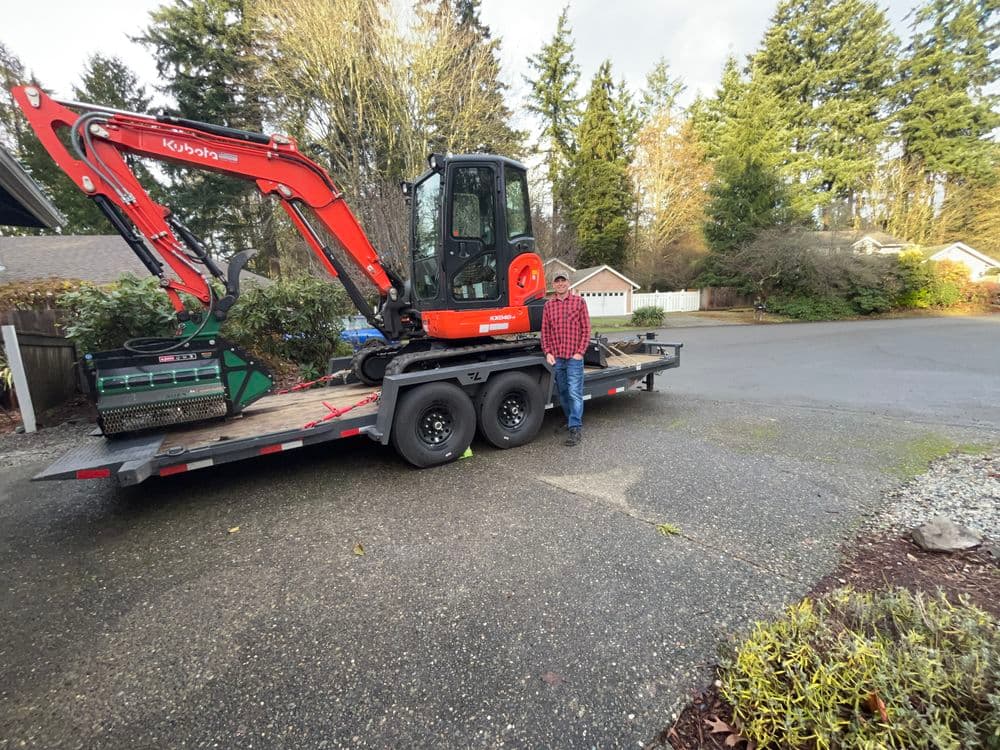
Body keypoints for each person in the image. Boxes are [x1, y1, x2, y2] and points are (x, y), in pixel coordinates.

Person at [541, 271, 590, 446]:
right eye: (557, 281)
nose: (560, 284)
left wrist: (580, 352)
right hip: (557, 358)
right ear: (553, 285)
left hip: (574, 357)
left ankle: (575, 427)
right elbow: (545, 332)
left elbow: (586, 330)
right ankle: (570, 420)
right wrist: (548, 352)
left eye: (563, 280)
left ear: (568, 283)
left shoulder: (579, 302)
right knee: (563, 393)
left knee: (574, 393)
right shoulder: (549, 306)